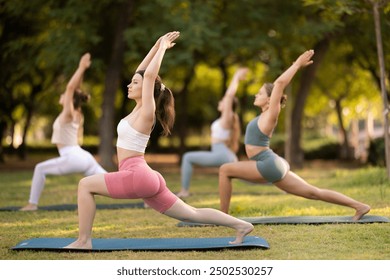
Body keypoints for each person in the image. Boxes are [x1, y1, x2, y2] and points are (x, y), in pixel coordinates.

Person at [64, 32, 253, 249]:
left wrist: (162, 48)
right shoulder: (137, 110)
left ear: (146, 89)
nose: (129, 85)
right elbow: (143, 73)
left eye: (134, 83)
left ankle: (84, 240)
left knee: (85, 185)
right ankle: (241, 225)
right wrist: (155, 46)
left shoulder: (147, 111)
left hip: (137, 176)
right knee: (190, 214)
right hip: (145, 176)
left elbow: (149, 76)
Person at [218, 50, 371, 221]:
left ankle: (223, 217)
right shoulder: (262, 116)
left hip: (267, 163)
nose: (256, 95)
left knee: (225, 170)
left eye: (260, 93)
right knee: (313, 192)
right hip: (272, 163)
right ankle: (360, 206)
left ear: (270, 100)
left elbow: (279, 84)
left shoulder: (270, 114)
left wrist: (296, 64)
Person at [20, 53, 107, 211]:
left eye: (65, 95)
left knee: (40, 168)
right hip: (84, 157)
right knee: (111, 181)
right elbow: (76, 90)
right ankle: (144, 197)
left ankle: (32, 204)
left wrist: (81, 67)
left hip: (72, 156)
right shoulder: (76, 113)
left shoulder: (68, 113)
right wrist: (82, 70)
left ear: (69, 99)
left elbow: (71, 88)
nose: (62, 95)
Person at [176, 67, 248, 198]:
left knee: (187, 157)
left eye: (224, 102)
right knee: (249, 177)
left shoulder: (228, 117)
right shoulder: (225, 119)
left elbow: (229, 96)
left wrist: (236, 77)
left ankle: (184, 191)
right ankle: (280, 181)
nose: (221, 102)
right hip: (224, 154)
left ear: (228, 105)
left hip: (221, 154)